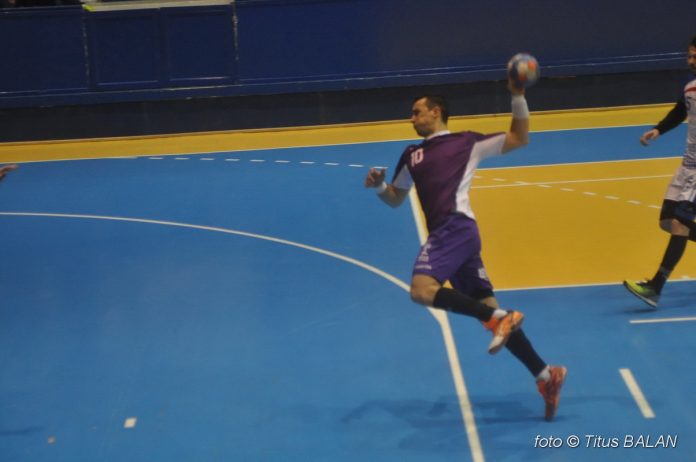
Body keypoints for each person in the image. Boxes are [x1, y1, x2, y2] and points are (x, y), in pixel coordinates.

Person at [363, 80, 567, 421]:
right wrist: (380, 185)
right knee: (487, 307)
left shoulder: (466, 142)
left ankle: (501, 319)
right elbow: (396, 199)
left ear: (436, 112)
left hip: (454, 228)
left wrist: (518, 96)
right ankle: (547, 375)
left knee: (421, 290)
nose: (411, 118)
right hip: (453, 239)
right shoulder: (411, 154)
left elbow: (519, 138)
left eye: (417, 112)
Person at [623, 35, 696, 308]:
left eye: (695, 56)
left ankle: (655, 287)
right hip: (687, 166)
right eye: (689, 56)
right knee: (666, 220)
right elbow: (679, 112)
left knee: (680, 224)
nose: (690, 61)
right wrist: (658, 130)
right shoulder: (690, 87)